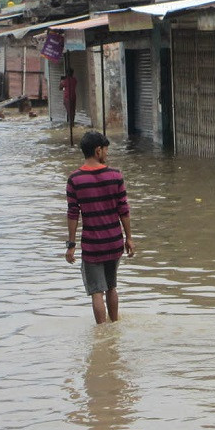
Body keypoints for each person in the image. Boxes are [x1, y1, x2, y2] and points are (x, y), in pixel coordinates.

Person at [64, 131, 134, 324]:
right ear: (98, 150)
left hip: (92, 245)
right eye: (105, 150)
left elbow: (73, 214)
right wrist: (129, 238)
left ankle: (102, 334)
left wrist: (71, 244)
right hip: (114, 241)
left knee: (97, 292)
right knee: (112, 287)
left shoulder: (75, 180)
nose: (107, 154)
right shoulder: (115, 175)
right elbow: (124, 210)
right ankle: (115, 326)